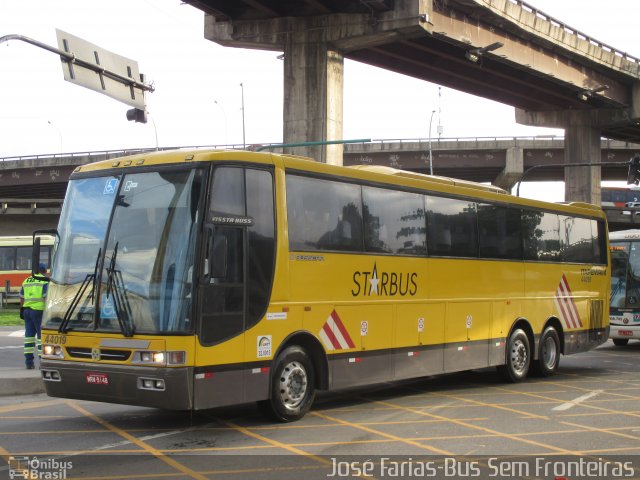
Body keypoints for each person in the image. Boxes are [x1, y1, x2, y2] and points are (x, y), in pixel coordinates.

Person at [20, 263, 49, 369]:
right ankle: (43, 362)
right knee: (41, 337)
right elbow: (46, 298)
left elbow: (22, 298)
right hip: (39, 311)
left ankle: (29, 362)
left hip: (27, 311)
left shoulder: (26, 280)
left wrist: (22, 309)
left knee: (29, 337)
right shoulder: (44, 280)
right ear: (44, 271)